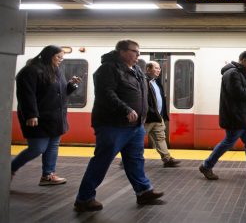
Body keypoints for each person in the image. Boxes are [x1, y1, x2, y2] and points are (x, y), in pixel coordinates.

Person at [74, 40, 163, 212]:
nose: (138, 55)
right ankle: (84, 199)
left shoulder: (136, 69)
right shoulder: (108, 69)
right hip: (113, 125)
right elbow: (106, 93)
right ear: (121, 51)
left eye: (138, 51)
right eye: (134, 51)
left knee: (135, 160)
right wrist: (126, 109)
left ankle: (144, 191)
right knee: (102, 161)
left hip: (135, 126)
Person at [12, 45, 81, 185]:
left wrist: (71, 85)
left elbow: (58, 94)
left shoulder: (56, 71)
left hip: (55, 118)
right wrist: (31, 114)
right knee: (37, 148)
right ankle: (9, 169)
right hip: (39, 117)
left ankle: (48, 175)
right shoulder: (30, 71)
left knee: (52, 146)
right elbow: (26, 95)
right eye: (58, 57)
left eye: (62, 57)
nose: (61, 60)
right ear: (49, 55)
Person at [199, 51, 246, 180]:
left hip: (244, 117)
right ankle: (206, 165)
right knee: (228, 142)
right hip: (236, 117)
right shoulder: (232, 74)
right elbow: (238, 93)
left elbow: (242, 91)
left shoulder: (240, 73)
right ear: (243, 61)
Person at [145, 61, 181, 167]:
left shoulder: (156, 82)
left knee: (160, 137)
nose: (159, 70)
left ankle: (167, 159)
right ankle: (125, 161)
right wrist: (150, 111)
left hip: (157, 116)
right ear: (148, 69)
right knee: (135, 139)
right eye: (156, 68)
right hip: (148, 118)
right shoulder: (143, 82)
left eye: (159, 68)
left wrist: (162, 114)